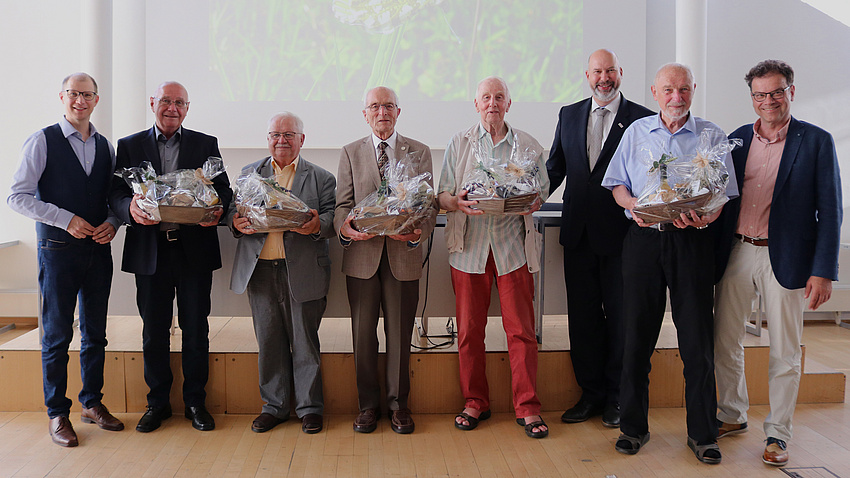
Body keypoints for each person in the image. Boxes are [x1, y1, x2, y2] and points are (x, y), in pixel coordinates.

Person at [601, 63, 738, 464]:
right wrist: (634, 206)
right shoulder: (636, 132)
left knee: (697, 341)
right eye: (668, 90)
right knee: (635, 338)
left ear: (693, 89)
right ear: (654, 92)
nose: (676, 97)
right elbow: (617, 184)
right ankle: (633, 428)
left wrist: (706, 216)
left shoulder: (712, 136)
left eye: (684, 90)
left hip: (692, 243)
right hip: (643, 241)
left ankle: (703, 434)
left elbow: (723, 194)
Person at [712, 60, 842, 467]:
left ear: (791, 92)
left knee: (785, 350)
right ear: (751, 97)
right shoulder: (735, 140)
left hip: (785, 258)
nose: (768, 100)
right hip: (737, 251)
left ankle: (778, 434)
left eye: (776, 92)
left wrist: (823, 271)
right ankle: (731, 413)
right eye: (760, 94)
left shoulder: (816, 141)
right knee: (725, 340)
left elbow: (831, 211)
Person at [8, 72, 124, 447]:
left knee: (95, 334)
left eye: (87, 95)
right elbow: (17, 196)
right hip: (57, 252)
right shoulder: (41, 141)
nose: (80, 100)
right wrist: (64, 219)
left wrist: (113, 222)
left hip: (98, 252)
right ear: (62, 97)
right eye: (73, 93)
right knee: (57, 335)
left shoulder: (106, 146)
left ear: (96, 100)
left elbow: (113, 199)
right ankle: (57, 412)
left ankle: (91, 402)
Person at [109, 81, 232, 433]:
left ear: (187, 108)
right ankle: (157, 403)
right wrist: (130, 208)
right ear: (153, 103)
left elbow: (223, 191)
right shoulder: (129, 145)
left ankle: (195, 402)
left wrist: (216, 209)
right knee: (154, 331)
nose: (172, 108)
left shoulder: (205, 144)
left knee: (196, 329)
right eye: (166, 101)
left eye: (179, 102)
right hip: (151, 252)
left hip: (194, 251)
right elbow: (116, 193)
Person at [437, 76, 550, 439]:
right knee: (469, 333)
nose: (492, 103)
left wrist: (532, 200)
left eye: (499, 97)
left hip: (513, 250)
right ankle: (475, 402)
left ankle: (528, 407)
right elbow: (442, 195)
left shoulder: (528, 145)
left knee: (522, 332)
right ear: (476, 104)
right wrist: (456, 202)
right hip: (469, 251)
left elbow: (542, 190)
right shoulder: (459, 143)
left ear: (508, 104)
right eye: (486, 97)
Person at [546, 49, 654, 428]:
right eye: (597, 71)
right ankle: (590, 394)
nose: (603, 78)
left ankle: (618, 397)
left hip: (625, 238)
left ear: (620, 73)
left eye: (610, 71)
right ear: (587, 75)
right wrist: (525, 197)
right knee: (583, 319)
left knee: (623, 319)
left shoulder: (642, 119)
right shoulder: (569, 114)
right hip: (578, 235)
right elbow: (555, 168)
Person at [335, 86, 437, 434]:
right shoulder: (350, 152)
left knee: (399, 334)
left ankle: (397, 405)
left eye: (389, 106)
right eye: (375, 106)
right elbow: (342, 205)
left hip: (402, 257)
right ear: (365, 114)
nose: (382, 112)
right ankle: (367, 406)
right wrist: (346, 228)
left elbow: (428, 206)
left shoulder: (419, 152)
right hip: (361, 258)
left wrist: (416, 233)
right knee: (363, 336)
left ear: (398, 111)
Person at [229, 112, 336, 434]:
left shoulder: (322, 178)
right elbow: (234, 212)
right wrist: (235, 222)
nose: (282, 140)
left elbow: (331, 217)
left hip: (303, 270)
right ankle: (273, 407)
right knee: (269, 341)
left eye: (289, 135)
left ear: (302, 139)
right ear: (268, 139)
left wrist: (317, 225)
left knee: (305, 342)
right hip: (260, 270)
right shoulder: (249, 174)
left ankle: (310, 408)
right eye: (275, 134)